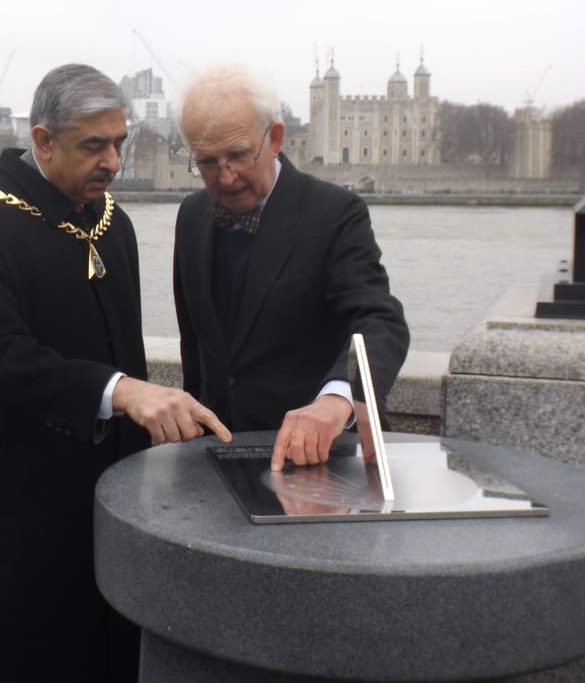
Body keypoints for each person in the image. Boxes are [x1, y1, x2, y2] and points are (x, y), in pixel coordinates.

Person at [0, 63, 230, 683]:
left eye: (120, 142)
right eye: (94, 145)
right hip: (19, 510)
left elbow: (130, 354)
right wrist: (120, 392)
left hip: (110, 502)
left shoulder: (112, 222)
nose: (113, 161)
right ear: (42, 140)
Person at [172, 65, 409, 474]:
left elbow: (379, 320)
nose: (225, 177)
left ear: (276, 139)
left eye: (239, 155)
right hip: (215, 460)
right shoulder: (191, 215)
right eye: (207, 161)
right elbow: (195, 348)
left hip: (319, 464)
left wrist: (338, 400)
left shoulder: (334, 213)